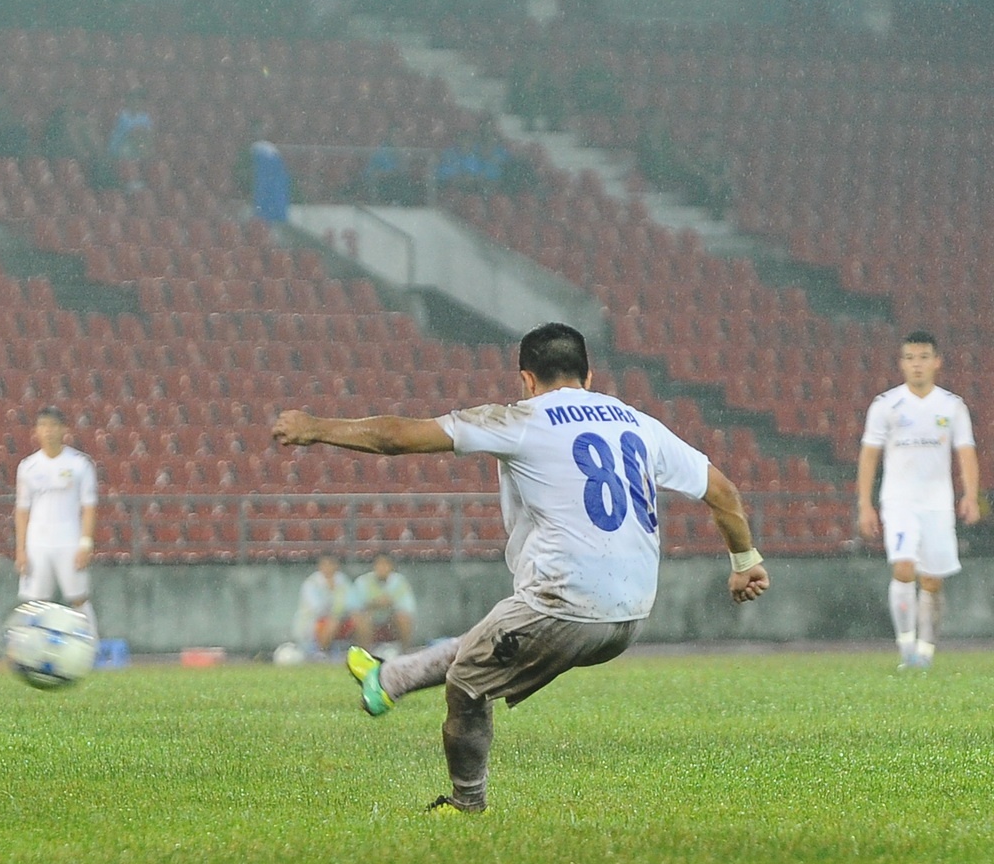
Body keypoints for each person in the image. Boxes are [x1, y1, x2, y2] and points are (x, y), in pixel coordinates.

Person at [274, 322, 769, 814]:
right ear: (589, 376)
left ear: (527, 380)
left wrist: (316, 429)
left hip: (565, 605)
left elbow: (396, 438)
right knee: (493, 639)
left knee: (468, 684)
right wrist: (745, 562)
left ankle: (466, 806)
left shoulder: (521, 418)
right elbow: (722, 492)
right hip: (632, 614)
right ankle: (389, 680)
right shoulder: (638, 423)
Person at [857, 330, 980, 669]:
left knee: (932, 579)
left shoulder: (952, 406)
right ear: (901, 363)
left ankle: (926, 650)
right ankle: (906, 648)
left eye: (923, 357)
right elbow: (869, 455)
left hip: (938, 503)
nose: (917, 364)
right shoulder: (885, 405)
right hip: (898, 501)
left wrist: (970, 495)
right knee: (904, 565)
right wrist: (865, 504)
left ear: (937, 362)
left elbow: (966, 452)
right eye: (910, 358)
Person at [14, 407, 99, 634]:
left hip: (69, 540)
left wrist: (85, 543)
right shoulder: (28, 466)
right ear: (36, 431)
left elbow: (89, 507)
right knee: (35, 603)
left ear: (64, 430)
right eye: (43, 426)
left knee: (78, 597)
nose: (48, 431)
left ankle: (90, 647)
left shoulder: (80, 464)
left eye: (53, 426)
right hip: (37, 542)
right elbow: (22, 510)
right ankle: (32, 648)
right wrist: (20, 549)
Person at [347, 555, 417, 654]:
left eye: (385, 564)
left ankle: (405, 652)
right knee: (360, 620)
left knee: (404, 619)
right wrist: (373, 604)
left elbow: (408, 608)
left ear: (392, 567)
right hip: (369, 618)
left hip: (391, 620)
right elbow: (353, 608)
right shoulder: (363, 582)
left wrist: (390, 603)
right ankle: (366, 654)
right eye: (379, 564)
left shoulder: (399, 582)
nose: (382, 568)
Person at [291, 555, 351, 657]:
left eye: (331, 564)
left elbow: (350, 603)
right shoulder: (311, 583)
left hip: (340, 619)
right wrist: (331, 591)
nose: (328, 568)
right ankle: (321, 653)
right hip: (311, 623)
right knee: (333, 622)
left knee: (359, 619)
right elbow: (318, 609)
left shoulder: (343, 580)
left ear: (336, 566)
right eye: (325, 565)